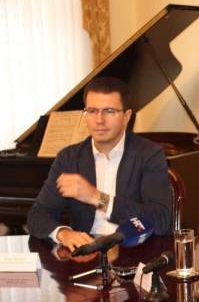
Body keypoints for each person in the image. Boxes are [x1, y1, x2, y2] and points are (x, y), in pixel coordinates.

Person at [27, 77, 172, 251]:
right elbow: (37, 215)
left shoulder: (149, 154)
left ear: (126, 117)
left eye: (109, 111)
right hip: (85, 253)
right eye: (92, 111)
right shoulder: (69, 157)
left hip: (134, 251)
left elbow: (161, 220)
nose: (99, 120)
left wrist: (98, 198)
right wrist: (63, 233)